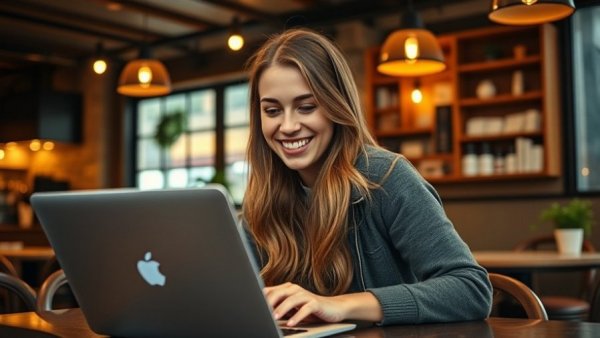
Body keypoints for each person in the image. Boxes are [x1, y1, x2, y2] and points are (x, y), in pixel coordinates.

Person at [241, 28, 492, 327]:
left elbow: (471, 289)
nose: (288, 125)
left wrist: (341, 306)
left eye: (307, 107)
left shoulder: (386, 177)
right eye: (272, 110)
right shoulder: (262, 197)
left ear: (337, 104)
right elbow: (237, 298)